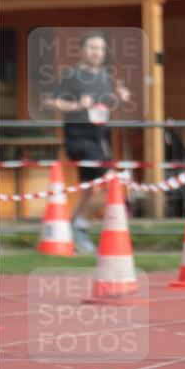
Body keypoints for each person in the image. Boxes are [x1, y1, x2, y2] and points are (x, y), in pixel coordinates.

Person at [44, 32, 130, 254]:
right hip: (78, 139)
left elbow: (103, 104)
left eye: (100, 48)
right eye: (92, 48)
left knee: (88, 191)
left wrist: (120, 97)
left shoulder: (104, 76)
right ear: (82, 50)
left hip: (99, 140)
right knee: (111, 183)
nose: (96, 53)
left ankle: (68, 230)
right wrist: (76, 106)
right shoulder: (72, 76)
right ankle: (79, 226)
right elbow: (49, 102)